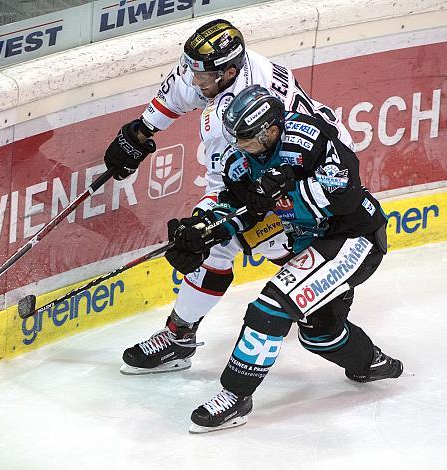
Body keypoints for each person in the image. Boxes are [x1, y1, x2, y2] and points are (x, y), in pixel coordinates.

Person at [103, 19, 355, 375]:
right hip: (278, 160)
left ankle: (324, 287)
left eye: (203, 77)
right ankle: (179, 337)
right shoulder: (220, 67)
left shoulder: (235, 114)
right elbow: (180, 90)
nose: (195, 80)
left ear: (229, 72)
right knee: (220, 244)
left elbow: (226, 188)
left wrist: (202, 223)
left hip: (309, 173)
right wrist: (139, 133)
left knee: (238, 239)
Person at [165, 85, 402, 433]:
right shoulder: (239, 161)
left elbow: (346, 196)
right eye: (236, 139)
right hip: (305, 241)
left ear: (271, 130)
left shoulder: (311, 138)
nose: (240, 147)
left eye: (247, 139)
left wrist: (285, 188)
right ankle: (371, 362)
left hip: (352, 237)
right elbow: (239, 206)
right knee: (321, 334)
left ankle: (235, 396)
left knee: (269, 308)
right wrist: (207, 229)